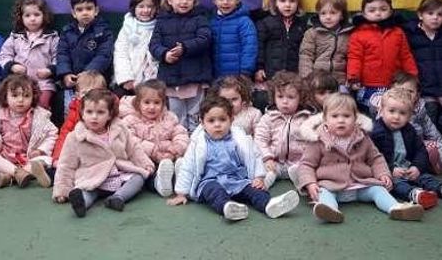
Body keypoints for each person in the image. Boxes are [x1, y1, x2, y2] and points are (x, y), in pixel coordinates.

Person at [296, 94, 424, 223]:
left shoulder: (362, 137)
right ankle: (330, 210)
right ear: (325, 119)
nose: (341, 120)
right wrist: (310, 183)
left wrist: (383, 174)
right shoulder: (318, 140)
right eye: (334, 116)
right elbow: (306, 164)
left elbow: (375, 158)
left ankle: (395, 208)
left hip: (361, 183)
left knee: (379, 190)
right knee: (322, 193)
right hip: (331, 185)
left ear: (355, 118)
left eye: (346, 116)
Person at [168, 96, 300, 221]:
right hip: (210, 181)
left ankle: (269, 205)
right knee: (215, 193)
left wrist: (259, 177)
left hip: (237, 180)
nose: (217, 125)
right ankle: (228, 207)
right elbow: (188, 167)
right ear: (202, 123)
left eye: (222, 119)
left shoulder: (240, 138)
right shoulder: (198, 143)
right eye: (211, 121)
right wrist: (181, 192)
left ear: (231, 120)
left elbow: (255, 156)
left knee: (254, 190)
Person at [370, 89, 442, 209]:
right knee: (396, 184)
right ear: (381, 111)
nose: (396, 116)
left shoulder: (409, 130)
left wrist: (417, 167)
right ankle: (415, 194)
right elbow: (372, 157)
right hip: (388, 173)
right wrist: (390, 169)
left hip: (407, 167)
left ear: (410, 115)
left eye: (402, 113)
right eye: (391, 111)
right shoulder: (376, 132)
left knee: (425, 177)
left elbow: (420, 151)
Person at [53, 89, 154, 217]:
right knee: (88, 191)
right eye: (89, 112)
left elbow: (133, 149)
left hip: (120, 173)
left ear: (110, 115)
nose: (94, 117)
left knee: (139, 178)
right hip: (93, 177)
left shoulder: (120, 128)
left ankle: (118, 198)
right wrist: (62, 190)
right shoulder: (75, 137)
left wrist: (145, 163)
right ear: (82, 114)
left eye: (100, 112)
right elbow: (66, 165)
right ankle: (81, 203)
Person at [149, 0, 213, 131]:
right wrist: (164, 54)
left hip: (195, 77)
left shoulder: (200, 18)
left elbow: (205, 39)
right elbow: (153, 45)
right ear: (170, 0)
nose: (184, 2)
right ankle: (179, 146)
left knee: (195, 115)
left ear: (194, 0)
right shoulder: (162, 21)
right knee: (177, 117)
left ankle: (195, 146)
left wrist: (185, 47)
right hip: (171, 79)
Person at [0, 74, 57, 189]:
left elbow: (51, 135)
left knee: (45, 160)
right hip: (5, 156)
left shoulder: (39, 116)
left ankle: (9, 177)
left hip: (28, 156)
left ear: (33, 97)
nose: (20, 100)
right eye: (15, 96)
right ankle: (16, 173)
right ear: (5, 97)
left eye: (26, 96)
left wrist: (40, 150)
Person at [347, 0, 417, 113]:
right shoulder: (358, 34)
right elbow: (354, 57)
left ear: (391, 11)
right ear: (363, 13)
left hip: (394, 85)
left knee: (394, 113)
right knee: (372, 114)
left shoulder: (398, 32)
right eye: (372, 10)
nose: (378, 13)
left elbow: (406, 56)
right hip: (368, 85)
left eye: (383, 9)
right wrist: (354, 78)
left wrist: (412, 76)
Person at [120, 80, 189, 197]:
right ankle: (158, 184)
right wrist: (154, 151)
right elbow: (131, 141)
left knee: (174, 163)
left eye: (157, 103)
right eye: (147, 102)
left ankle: (178, 179)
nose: (152, 107)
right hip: (143, 160)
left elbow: (180, 133)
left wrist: (176, 148)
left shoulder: (169, 117)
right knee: (146, 173)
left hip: (167, 157)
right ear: (138, 103)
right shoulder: (130, 120)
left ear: (163, 104)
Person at [56, 0, 115, 125]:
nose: (85, 13)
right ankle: (72, 134)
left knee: (96, 111)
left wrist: (87, 74)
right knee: (69, 110)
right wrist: (66, 74)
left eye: (89, 8)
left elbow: (104, 55)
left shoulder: (103, 31)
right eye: (80, 9)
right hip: (73, 83)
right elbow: (62, 54)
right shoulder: (67, 32)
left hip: (96, 82)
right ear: (73, 13)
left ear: (96, 10)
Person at [370, 73, 442, 174]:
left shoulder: (420, 110)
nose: (405, 95)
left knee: (436, 147)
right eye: (400, 91)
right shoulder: (386, 108)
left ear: (417, 95)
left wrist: (439, 141)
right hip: (394, 147)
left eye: (410, 92)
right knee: (425, 153)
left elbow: (429, 127)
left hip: (417, 141)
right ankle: (430, 165)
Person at [403, 0, 442, 123]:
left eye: (440, 14)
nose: (435, 17)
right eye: (430, 13)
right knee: (429, 119)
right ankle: (432, 143)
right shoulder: (411, 34)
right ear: (420, 15)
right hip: (425, 88)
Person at [0, 0, 60, 109]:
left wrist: (50, 70)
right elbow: (4, 55)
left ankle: (41, 125)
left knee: (42, 105)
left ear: (44, 16)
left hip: (43, 83)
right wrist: (12, 66)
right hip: (19, 82)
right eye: (27, 15)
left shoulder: (52, 37)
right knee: (17, 105)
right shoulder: (15, 37)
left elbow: (59, 57)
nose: (32, 19)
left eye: (37, 14)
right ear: (21, 17)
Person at [254, 71, 313, 189]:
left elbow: (312, 143)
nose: (285, 101)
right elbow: (260, 139)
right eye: (280, 97)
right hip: (274, 161)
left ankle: (303, 186)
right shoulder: (269, 117)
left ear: (300, 98)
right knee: (265, 170)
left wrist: (307, 159)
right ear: (273, 97)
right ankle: (262, 186)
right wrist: (267, 157)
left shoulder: (307, 119)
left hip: (298, 162)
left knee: (307, 172)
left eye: (290, 97)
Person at [254, 0, 308, 84]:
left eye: (292, 1)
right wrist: (259, 68)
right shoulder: (266, 23)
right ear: (275, 2)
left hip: (293, 75)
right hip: (270, 75)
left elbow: (304, 51)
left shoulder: (301, 25)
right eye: (282, 1)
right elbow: (259, 47)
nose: (287, 5)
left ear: (298, 3)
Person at [52, 71, 109, 167]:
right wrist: (58, 157)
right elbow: (64, 134)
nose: (91, 98)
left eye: (96, 93)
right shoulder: (75, 111)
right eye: (86, 94)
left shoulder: (109, 110)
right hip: (78, 151)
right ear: (78, 95)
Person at [113, 0, 160, 96]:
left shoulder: (159, 27)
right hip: (129, 80)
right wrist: (126, 79)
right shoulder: (127, 27)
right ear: (134, 8)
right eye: (141, 6)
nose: (146, 10)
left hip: (152, 81)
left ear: (156, 9)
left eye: (150, 7)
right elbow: (120, 53)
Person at [299, 0, 353, 84]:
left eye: (333, 13)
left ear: (342, 15)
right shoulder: (312, 33)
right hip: (317, 80)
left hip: (340, 81)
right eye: (323, 13)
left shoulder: (348, 34)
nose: (328, 17)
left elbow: (351, 58)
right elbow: (306, 56)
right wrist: (308, 78)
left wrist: (350, 78)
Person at [210, 0, 257, 79]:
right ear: (214, 0)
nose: (225, 2)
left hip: (237, 78)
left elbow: (250, 48)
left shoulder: (244, 22)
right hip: (215, 78)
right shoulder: (211, 21)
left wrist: (245, 72)